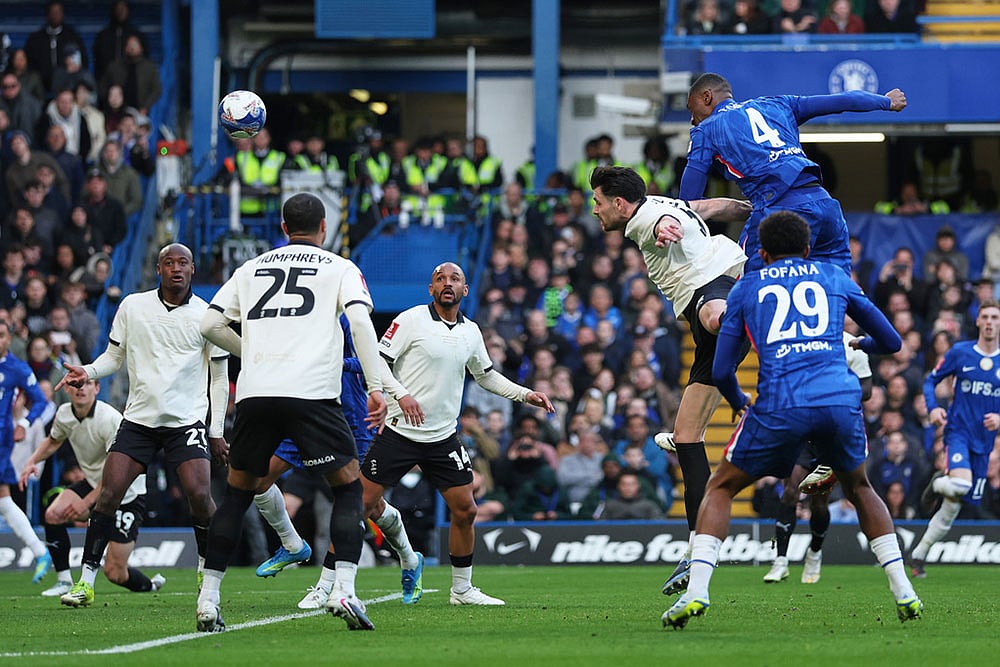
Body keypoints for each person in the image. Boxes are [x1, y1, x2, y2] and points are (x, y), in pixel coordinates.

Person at [663, 210, 922, 629]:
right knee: (860, 487)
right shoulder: (835, 276)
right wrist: (859, 341)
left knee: (721, 487)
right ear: (806, 248)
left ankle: (696, 592)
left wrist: (738, 401)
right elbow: (892, 341)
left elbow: (724, 369)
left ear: (761, 253)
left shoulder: (747, 286)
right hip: (840, 399)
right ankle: (903, 588)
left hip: (781, 401)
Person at [197, 193, 390, 632]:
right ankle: (343, 590)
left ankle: (208, 599)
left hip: (256, 395)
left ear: (283, 228)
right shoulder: (340, 267)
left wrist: (253, 350)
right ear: (324, 228)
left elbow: (208, 325)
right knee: (346, 490)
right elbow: (360, 323)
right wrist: (376, 387)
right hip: (312, 396)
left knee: (237, 495)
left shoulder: (250, 268)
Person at [589, 165, 751, 596]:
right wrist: (748, 208)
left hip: (710, 290)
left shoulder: (649, 218)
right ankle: (699, 549)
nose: (595, 210)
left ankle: (755, 313)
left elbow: (668, 223)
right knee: (686, 437)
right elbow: (709, 206)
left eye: (598, 202)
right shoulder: (666, 203)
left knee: (714, 317)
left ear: (620, 204)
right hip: (713, 298)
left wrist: (666, 231)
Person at [363, 261, 555, 606]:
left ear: (465, 290)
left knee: (466, 510)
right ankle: (331, 583)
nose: (447, 283)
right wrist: (401, 395)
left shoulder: (471, 331)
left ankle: (462, 590)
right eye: (439, 279)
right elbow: (379, 361)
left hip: (442, 437)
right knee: (357, 505)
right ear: (431, 289)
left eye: (454, 279)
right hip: (399, 432)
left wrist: (525, 394)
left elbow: (485, 376)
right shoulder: (409, 320)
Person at [53, 243, 229, 608]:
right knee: (108, 494)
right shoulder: (133, 306)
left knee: (200, 496)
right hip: (139, 421)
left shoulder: (208, 315)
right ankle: (85, 582)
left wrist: (215, 431)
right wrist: (87, 371)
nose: (176, 268)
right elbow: (114, 356)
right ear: (158, 269)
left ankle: (205, 572)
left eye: (183, 262)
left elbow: (218, 378)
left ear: (193, 269)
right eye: (168, 263)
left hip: (185, 422)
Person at [250, 314, 427, 610]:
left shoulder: (347, 317)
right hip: (306, 414)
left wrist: (338, 364)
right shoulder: (298, 315)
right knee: (257, 480)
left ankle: (398, 561)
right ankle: (292, 544)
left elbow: (372, 362)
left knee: (363, 504)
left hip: (350, 420)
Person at [679, 72, 907, 275]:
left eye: (692, 109)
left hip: (779, 213)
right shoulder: (777, 104)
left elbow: (689, 201)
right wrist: (885, 101)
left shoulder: (705, 130)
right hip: (826, 208)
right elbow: (839, 100)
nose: (692, 119)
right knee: (839, 296)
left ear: (707, 97)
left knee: (744, 286)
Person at [18, 378, 165, 597]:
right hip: (94, 482)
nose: (81, 389)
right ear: (66, 389)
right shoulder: (64, 414)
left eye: (87, 384)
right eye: (75, 385)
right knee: (53, 514)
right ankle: (64, 580)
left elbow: (116, 473)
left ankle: (151, 586)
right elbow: (53, 440)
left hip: (125, 491)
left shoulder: (110, 419)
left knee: (115, 572)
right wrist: (31, 461)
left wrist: (87, 503)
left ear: (96, 388)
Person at [763, 329, 873, 585]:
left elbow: (867, 389)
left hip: (834, 430)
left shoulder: (851, 344)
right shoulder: (798, 341)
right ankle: (780, 561)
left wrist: (835, 390)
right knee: (791, 490)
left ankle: (814, 552)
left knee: (819, 502)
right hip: (803, 427)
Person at [909, 300, 1000, 578]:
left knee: (956, 506)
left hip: (984, 442)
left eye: (994, 317)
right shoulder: (961, 352)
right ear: (977, 321)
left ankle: (918, 556)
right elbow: (930, 381)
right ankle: (938, 481)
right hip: (958, 431)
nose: (989, 322)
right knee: (960, 484)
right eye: (985, 316)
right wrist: (933, 407)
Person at [0, 320, 56, 583]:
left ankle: (39, 551)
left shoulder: (17, 369)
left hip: (2, 441)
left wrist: (23, 423)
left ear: (9, 339)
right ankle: (39, 551)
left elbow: (41, 400)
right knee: (4, 501)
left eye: (1, 335)